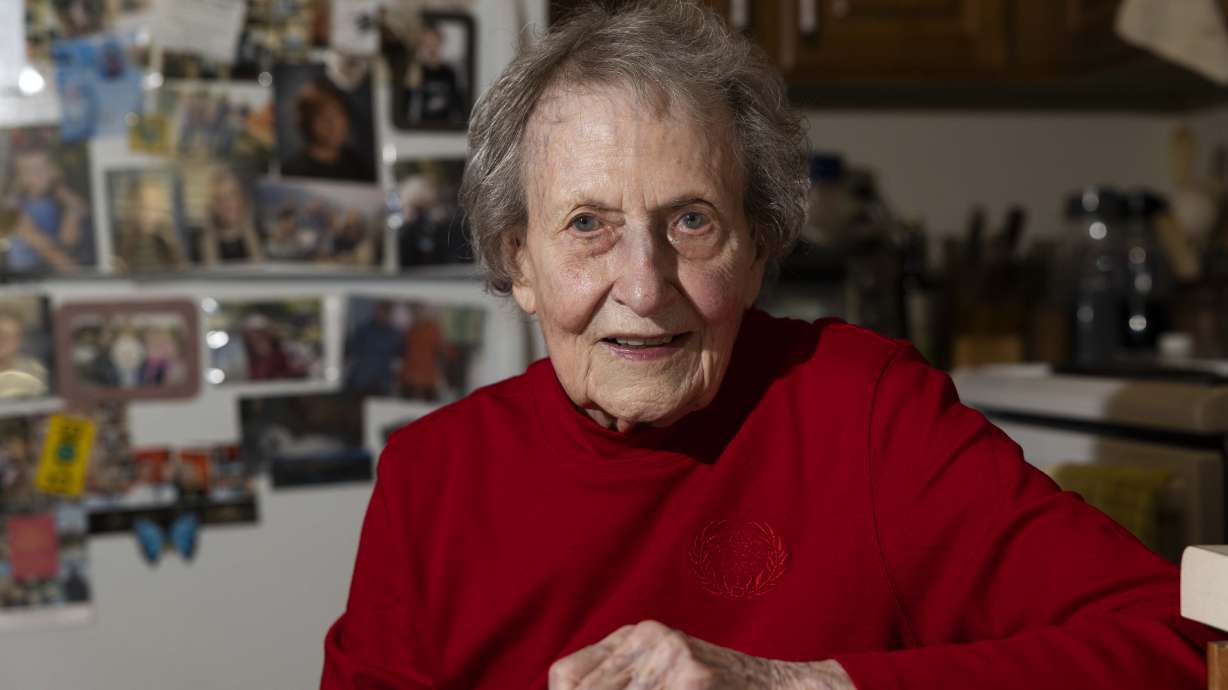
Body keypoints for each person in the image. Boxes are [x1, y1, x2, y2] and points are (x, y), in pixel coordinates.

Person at [321, 3, 1217, 689]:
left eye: (692, 221)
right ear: (519, 263)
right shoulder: (430, 480)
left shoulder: (866, 412)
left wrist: (805, 684)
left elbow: (1181, 643)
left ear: (755, 252)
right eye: (588, 224)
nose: (643, 285)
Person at [3, 141, 93, 275]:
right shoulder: (16, 207)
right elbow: (48, 249)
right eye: (28, 171)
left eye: (42, 168)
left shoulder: (59, 199)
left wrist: (72, 212)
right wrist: (77, 273)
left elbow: (68, 241)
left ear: (54, 170)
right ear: (20, 177)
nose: (37, 175)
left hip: (55, 269)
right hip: (29, 274)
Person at [281, 77, 374, 182]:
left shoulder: (359, 166)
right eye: (323, 117)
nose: (333, 124)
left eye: (337, 115)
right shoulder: (292, 173)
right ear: (306, 123)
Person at [192, 167, 264, 266]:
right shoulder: (204, 239)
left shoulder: (257, 233)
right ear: (212, 205)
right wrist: (209, 230)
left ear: (242, 198)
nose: (227, 204)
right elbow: (211, 275)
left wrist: (248, 230)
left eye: (232, 195)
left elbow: (262, 272)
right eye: (219, 198)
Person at [400, 24, 466, 128]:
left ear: (440, 44)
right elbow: (406, 102)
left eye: (434, 43)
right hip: (421, 127)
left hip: (446, 127)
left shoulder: (449, 72)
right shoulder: (416, 71)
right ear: (422, 46)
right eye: (427, 44)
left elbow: (458, 102)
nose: (431, 48)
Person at [0, 308, 49, 399]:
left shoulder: (36, 371)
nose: (2, 341)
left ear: (18, 340)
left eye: (8, 336)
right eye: (0, 334)